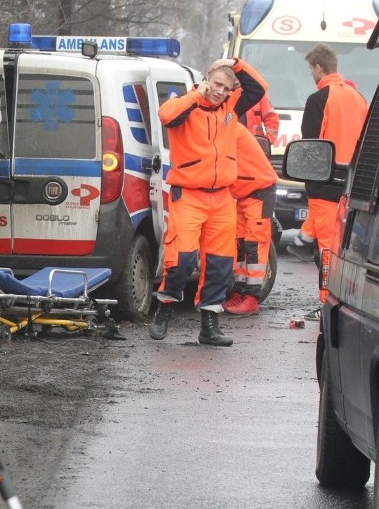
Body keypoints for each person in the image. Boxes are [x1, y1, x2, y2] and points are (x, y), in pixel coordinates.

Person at [149, 56, 266, 346]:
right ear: (205, 80)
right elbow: (166, 116)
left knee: (220, 265)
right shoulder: (185, 105)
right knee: (182, 260)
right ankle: (164, 308)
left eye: (226, 88)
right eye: (216, 84)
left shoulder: (229, 108)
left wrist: (234, 62)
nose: (221, 92)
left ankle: (209, 325)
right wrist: (195, 95)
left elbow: (258, 88)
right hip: (188, 196)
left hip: (222, 198)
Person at [288, 42, 368, 318]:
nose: (311, 74)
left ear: (318, 68)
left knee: (325, 253)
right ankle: (300, 239)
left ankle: (326, 307)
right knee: (342, 252)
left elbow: (310, 147)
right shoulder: (358, 98)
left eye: (311, 69)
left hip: (325, 185)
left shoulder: (319, 99)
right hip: (354, 186)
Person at [221, 124, 278, 316]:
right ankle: (239, 291)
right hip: (244, 192)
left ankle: (251, 298)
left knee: (254, 246)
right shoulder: (223, 125)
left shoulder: (225, 127)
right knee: (240, 245)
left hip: (258, 190)